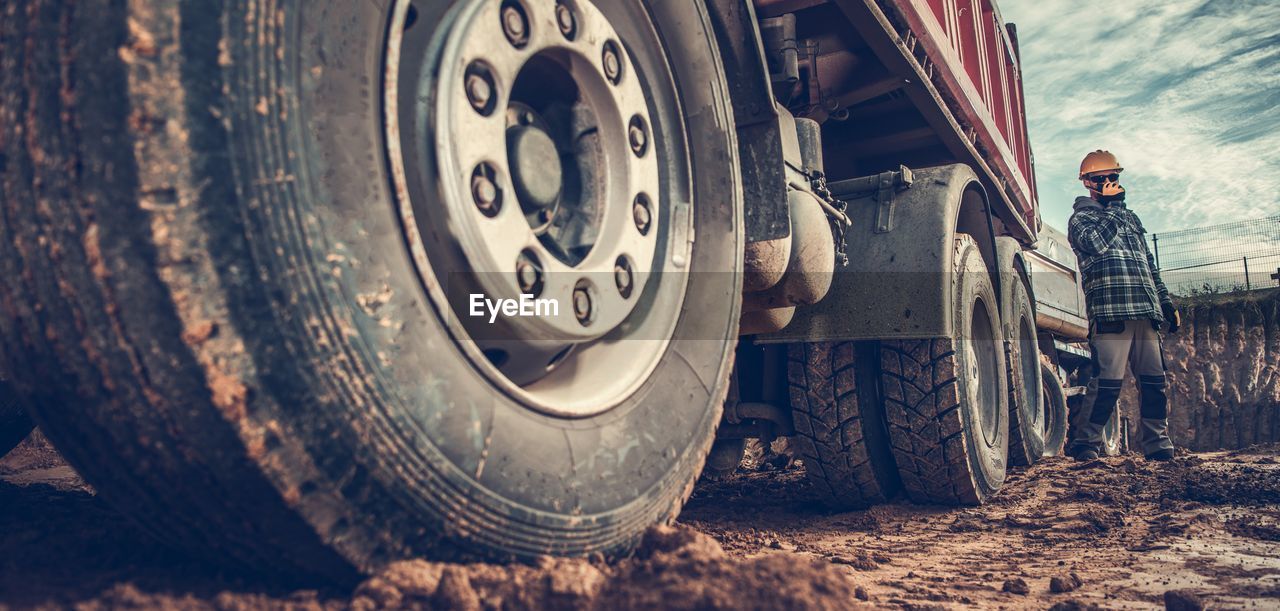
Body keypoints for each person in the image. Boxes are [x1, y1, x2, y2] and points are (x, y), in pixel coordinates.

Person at [1066, 150, 1180, 462]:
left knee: (1154, 382)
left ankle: (1157, 444)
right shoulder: (1082, 219)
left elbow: (1149, 264)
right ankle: (1085, 443)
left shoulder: (1131, 219)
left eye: (1113, 177)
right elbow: (1096, 245)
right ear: (1089, 183)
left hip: (1145, 310)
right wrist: (1115, 210)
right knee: (1106, 384)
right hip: (1112, 312)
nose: (1109, 183)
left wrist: (1166, 303)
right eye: (1101, 179)